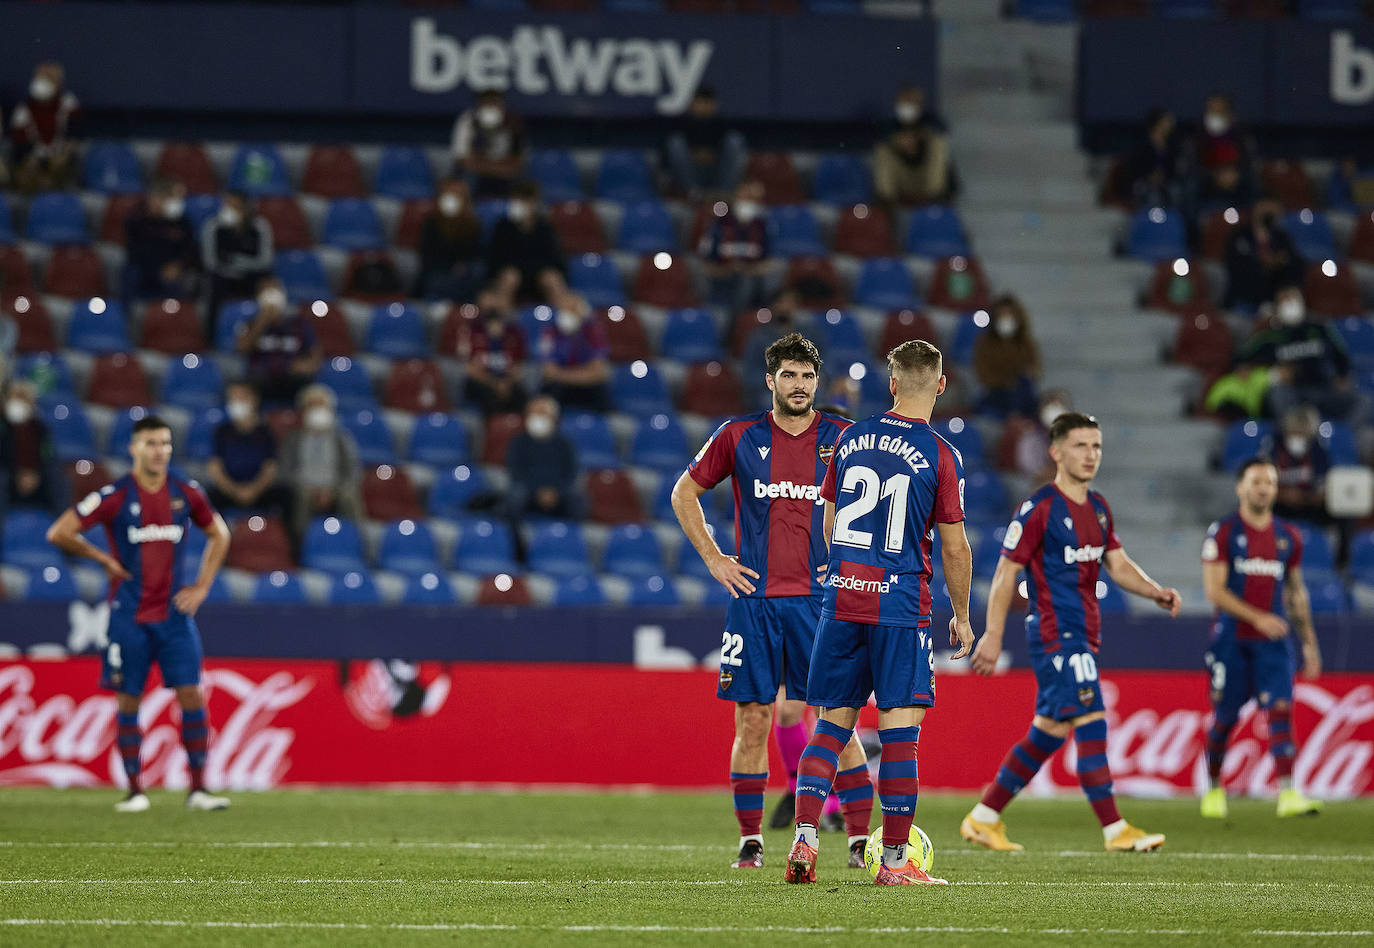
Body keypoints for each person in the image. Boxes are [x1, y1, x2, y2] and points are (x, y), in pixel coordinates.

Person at [672, 332, 873, 872]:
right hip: (755, 602)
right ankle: (750, 840)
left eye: (808, 376)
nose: (799, 385)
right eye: (789, 375)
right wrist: (716, 559)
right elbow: (683, 493)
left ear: (817, 381)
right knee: (754, 720)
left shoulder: (845, 438)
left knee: (838, 720)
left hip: (821, 603)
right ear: (771, 380)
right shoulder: (737, 437)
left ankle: (859, 840)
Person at [782, 339, 972, 888]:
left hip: (841, 599)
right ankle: (893, 863)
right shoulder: (940, 453)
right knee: (898, 736)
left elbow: (829, 521)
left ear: (891, 384)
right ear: (940, 384)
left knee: (831, 728)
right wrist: (961, 615)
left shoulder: (849, 438)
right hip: (899, 607)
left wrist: (843, 568)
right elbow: (956, 548)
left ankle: (806, 837)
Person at [962, 412, 1182, 853]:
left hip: (1082, 631)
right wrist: (991, 634)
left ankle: (984, 817)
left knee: (1049, 730)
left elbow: (1117, 564)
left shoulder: (1098, 508)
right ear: (1056, 451)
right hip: (1055, 632)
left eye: (1096, 446)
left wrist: (1154, 590)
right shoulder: (1039, 508)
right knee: (1091, 717)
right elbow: (1006, 572)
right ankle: (1115, 828)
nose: (1090, 455)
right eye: (1080, 446)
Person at [44, 415, 232, 812]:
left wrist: (201, 587)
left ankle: (198, 789)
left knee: (192, 694)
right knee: (129, 699)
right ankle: (135, 791)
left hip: (174, 616)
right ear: (133, 448)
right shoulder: (115, 495)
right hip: (128, 615)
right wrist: (102, 559)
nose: (159, 451)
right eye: (150, 443)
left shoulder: (186, 491)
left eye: (164, 443)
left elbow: (220, 533)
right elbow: (59, 531)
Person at [1200, 458, 1323, 819]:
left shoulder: (1288, 537)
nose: (1264, 488)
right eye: (1256, 481)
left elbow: (1297, 591)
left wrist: (1310, 643)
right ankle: (1213, 789)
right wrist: (1259, 618)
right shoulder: (1223, 533)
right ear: (1240, 487)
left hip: (1273, 642)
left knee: (1281, 710)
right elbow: (1214, 591)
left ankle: (1288, 794)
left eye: (1269, 482)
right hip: (1231, 641)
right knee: (1225, 717)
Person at [1241, 286, 1365, 426]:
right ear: (1277, 307)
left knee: (1363, 401)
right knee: (1277, 394)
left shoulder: (1319, 328)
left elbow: (1341, 355)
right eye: (1285, 301)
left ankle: (1342, 438)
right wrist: (1273, 373)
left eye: (1293, 299)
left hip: (1322, 389)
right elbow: (1243, 359)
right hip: (1293, 393)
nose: (1290, 304)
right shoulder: (1269, 336)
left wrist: (1342, 376)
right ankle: (1290, 434)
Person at [279, 384, 363, 543]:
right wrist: (307, 488)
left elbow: (352, 471)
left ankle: (355, 543)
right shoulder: (292, 439)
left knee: (349, 496)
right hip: (303, 488)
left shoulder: (341, 439)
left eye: (322, 406)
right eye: (313, 406)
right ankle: (301, 547)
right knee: (300, 498)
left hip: (335, 488)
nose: (318, 411)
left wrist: (331, 490)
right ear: (303, 411)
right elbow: (284, 472)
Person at [205, 383, 291, 520]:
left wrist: (253, 490)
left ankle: (286, 539)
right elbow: (215, 467)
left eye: (241, 397)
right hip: (229, 490)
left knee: (286, 495)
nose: (236, 402)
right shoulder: (222, 431)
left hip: (259, 490)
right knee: (207, 496)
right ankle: (216, 538)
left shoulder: (265, 433)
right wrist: (234, 490)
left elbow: (270, 468)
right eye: (232, 398)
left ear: (254, 400)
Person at [237, 278, 322, 408]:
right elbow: (241, 349)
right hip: (262, 379)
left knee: (311, 387)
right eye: (266, 291)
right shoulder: (250, 323)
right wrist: (262, 322)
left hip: (292, 377)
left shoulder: (299, 324)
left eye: (275, 290)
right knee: (246, 385)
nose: (271, 295)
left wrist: (306, 365)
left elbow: (315, 356)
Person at [200, 191, 273, 338]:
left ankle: (267, 337)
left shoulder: (259, 226)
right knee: (213, 285)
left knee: (270, 286)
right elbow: (210, 262)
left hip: (251, 275)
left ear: (245, 209)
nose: (229, 210)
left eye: (234, 206)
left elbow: (265, 260)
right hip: (223, 276)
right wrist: (230, 269)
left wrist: (237, 262)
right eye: (227, 205)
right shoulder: (214, 226)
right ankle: (211, 338)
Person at [699, 179, 776, 312]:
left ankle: (739, 317)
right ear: (735, 196)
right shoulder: (719, 224)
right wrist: (727, 270)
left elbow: (771, 264)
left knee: (746, 281)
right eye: (745, 196)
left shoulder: (763, 226)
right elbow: (704, 265)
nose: (748, 202)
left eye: (753, 199)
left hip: (752, 284)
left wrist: (746, 269)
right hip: (721, 281)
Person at [486, 180, 567, 304]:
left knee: (551, 278)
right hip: (512, 275)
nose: (519, 205)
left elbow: (554, 260)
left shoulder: (544, 227)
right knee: (510, 277)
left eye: (524, 201)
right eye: (516, 200)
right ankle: (505, 320)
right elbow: (496, 260)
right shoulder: (503, 227)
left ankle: (560, 319)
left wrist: (538, 271)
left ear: (534, 203)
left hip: (538, 275)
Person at [124, 177, 199, 308]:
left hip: (173, 271)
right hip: (144, 269)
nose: (178, 203)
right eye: (173, 199)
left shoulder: (181, 221)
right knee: (130, 276)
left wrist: (178, 265)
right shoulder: (137, 219)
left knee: (182, 286)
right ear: (157, 198)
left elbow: (190, 249)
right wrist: (157, 269)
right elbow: (135, 250)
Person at [8, 61, 80, 194]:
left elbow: (75, 136)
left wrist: (63, 155)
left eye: (49, 78)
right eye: (41, 78)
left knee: (60, 165)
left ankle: (61, 199)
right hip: (33, 159)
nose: (43, 82)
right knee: (26, 173)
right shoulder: (23, 110)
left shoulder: (69, 103)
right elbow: (19, 145)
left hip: (59, 157)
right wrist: (30, 160)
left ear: (58, 83)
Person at [664, 86, 747, 199]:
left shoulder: (723, 125)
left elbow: (730, 155)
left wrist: (711, 155)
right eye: (700, 103)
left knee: (735, 140)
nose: (703, 107)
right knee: (675, 142)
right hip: (691, 174)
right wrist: (696, 155)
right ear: (692, 104)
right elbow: (668, 160)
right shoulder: (680, 125)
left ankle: (722, 194)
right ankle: (693, 194)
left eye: (707, 103)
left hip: (717, 174)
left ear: (714, 105)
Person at [1223, 199, 1303, 313]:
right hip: (1245, 299)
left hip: (1276, 300)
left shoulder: (1282, 238)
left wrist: (1285, 285)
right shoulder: (1240, 236)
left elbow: (1295, 264)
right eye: (1266, 205)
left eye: (1274, 207)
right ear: (1257, 207)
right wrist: (1263, 263)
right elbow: (1237, 269)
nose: (1270, 210)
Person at [458, 287, 527, 416]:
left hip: (507, 381)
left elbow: (519, 367)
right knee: (489, 396)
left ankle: (517, 428)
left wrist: (507, 383)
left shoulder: (514, 333)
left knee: (521, 394)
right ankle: (493, 432)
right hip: (483, 382)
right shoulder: (472, 332)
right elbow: (469, 369)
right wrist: (494, 384)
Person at [506, 395, 578, 521]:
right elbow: (515, 470)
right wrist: (537, 491)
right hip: (529, 490)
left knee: (578, 499)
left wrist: (555, 491)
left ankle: (569, 535)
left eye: (541, 413)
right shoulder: (519, 442)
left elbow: (570, 472)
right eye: (533, 414)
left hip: (557, 492)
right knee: (516, 495)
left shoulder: (564, 444)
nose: (537, 418)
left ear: (554, 418)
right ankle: (517, 537)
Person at [537, 292, 611, 412]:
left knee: (601, 389)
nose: (566, 315)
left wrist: (561, 374)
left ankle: (605, 424)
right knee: (547, 390)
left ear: (581, 312)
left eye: (571, 310)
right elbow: (548, 372)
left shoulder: (593, 331)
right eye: (562, 310)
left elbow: (598, 373)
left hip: (588, 387)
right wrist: (583, 373)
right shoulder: (550, 331)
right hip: (561, 387)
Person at [415, 178, 484, 302]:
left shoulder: (472, 224)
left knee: (477, 273)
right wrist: (450, 267)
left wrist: (463, 266)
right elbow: (427, 256)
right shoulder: (432, 222)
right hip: (438, 273)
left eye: (457, 195)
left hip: (464, 275)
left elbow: (475, 253)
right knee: (438, 281)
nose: (452, 200)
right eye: (449, 195)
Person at [972, 294, 1041, 419]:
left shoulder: (1026, 343)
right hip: (996, 396)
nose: (1006, 319)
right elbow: (984, 375)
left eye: (1009, 315)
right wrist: (1006, 380)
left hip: (1022, 396)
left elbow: (1035, 371)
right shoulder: (984, 343)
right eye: (1002, 315)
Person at [451, 89, 526, 200]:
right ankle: (469, 211)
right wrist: (494, 168)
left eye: (494, 103)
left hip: (504, 170)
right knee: (464, 176)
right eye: (486, 104)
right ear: (479, 106)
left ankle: (515, 214)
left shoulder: (513, 123)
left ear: (502, 106)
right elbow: (462, 159)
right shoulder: (468, 120)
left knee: (522, 178)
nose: (490, 108)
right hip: (476, 170)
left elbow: (517, 162)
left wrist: (494, 167)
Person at [0, 379, 58, 511]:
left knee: (56, 476)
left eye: (22, 399)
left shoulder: (40, 429)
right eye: (15, 398)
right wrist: (17, 475)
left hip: (37, 480)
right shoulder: (3, 428)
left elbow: (47, 457)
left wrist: (36, 476)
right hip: (10, 478)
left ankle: (60, 523)